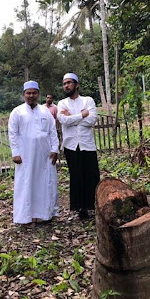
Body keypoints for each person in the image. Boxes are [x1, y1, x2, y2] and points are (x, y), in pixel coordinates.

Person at [8, 81, 59, 225]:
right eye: (28, 93)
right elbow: (13, 134)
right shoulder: (17, 112)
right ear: (23, 95)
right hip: (26, 156)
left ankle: (44, 214)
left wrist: (55, 149)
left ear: (38, 94)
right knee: (26, 183)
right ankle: (26, 216)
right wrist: (15, 153)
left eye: (34, 93)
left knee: (45, 183)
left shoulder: (46, 112)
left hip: (44, 155)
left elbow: (52, 132)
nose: (31, 96)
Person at [57, 73, 100, 220]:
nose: (66, 86)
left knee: (91, 175)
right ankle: (80, 208)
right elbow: (63, 120)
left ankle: (94, 205)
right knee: (76, 176)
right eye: (64, 83)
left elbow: (92, 120)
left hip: (87, 144)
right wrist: (82, 115)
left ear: (76, 84)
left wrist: (72, 117)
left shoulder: (88, 100)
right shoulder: (62, 103)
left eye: (69, 83)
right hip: (70, 145)